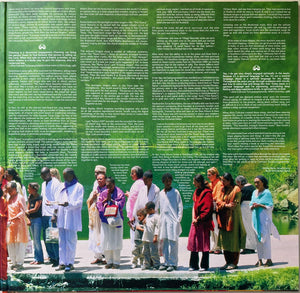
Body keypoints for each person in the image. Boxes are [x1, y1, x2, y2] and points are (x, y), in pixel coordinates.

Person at [54, 168, 84, 272]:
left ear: (71, 175)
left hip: (71, 217)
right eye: (63, 176)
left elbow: (79, 202)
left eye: (66, 176)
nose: (64, 178)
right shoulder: (62, 186)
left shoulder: (78, 187)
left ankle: (70, 263)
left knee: (70, 241)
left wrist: (69, 204)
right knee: (62, 241)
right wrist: (55, 214)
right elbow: (57, 201)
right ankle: (62, 263)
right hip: (61, 217)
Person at [216, 173, 246, 270]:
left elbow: (235, 204)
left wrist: (225, 205)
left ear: (229, 181)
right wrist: (225, 205)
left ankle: (234, 263)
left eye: (224, 180)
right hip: (223, 219)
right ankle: (227, 262)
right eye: (222, 180)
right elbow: (218, 200)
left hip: (233, 218)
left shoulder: (236, 189)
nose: (222, 182)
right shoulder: (222, 189)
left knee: (234, 241)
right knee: (224, 241)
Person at [250, 175, 280, 267]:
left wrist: (260, 205)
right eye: (255, 182)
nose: (256, 184)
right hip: (255, 218)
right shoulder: (254, 192)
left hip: (264, 219)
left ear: (263, 182)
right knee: (257, 240)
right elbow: (250, 204)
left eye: (258, 182)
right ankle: (259, 259)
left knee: (265, 239)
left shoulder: (267, 193)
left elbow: (270, 206)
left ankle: (269, 259)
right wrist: (253, 206)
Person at [97, 177, 125, 269]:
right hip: (106, 220)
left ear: (114, 184)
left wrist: (111, 201)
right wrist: (105, 204)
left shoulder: (120, 192)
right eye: (107, 186)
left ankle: (116, 262)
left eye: (110, 186)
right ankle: (109, 261)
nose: (108, 188)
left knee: (116, 240)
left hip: (116, 220)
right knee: (106, 240)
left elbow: (121, 204)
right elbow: (99, 205)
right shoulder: (103, 193)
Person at [187, 174, 214, 271]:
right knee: (193, 243)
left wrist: (198, 218)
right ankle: (193, 265)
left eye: (194, 181)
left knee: (204, 244)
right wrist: (193, 218)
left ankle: (204, 265)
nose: (193, 183)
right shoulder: (196, 191)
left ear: (198, 182)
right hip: (195, 221)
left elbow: (207, 209)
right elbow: (194, 206)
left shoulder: (207, 193)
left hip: (203, 222)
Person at [159, 173, 183, 272]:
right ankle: (166, 262)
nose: (168, 183)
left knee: (173, 242)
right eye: (166, 181)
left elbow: (180, 206)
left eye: (170, 181)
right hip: (163, 219)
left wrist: (178, 219)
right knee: (164, 241)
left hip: (173, 221)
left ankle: (173, 263)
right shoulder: (161, 193)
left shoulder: (175, 192)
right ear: (163, 182)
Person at [40, 167, 61, 267]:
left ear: (49, 173)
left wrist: (55, 214)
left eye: (45, 175)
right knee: (46, 238)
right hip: (44, 214)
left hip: (52, 214)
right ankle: (51, 257)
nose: (44, 177)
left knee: (53, 238)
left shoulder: (56, 183)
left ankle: (57, 258)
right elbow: (43, 198)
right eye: (42, 175)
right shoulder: (43, 184)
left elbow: (58, 199)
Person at [6, 182, 28, 271]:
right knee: (11, 244)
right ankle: (13, 262)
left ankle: (19, 263)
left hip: (19, 225)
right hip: (10, 225)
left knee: (20, 244)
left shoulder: (20, 198)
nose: (9, 192)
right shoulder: (8, 198)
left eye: (10, 190)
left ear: (15, 189)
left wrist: (13, 218)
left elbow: (23, 212)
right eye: (8, 190)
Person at [87, 173, 106, 264]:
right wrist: (94, 197)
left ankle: (106, 256)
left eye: (101, 179)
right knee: (95, 236)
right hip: (95, 216)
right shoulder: (95, 190)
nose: (99, 181)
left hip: (104, 216)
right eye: (98, 179)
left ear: (105, 179)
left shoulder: (107, 189)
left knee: (104, 235)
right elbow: (89, 201)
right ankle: (98, 256)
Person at [235, 175, 256, 254]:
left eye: (237, 184)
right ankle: (252, 246)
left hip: (245, 209)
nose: (238, 186)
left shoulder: (244, 190)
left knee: (246, 227)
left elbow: (240, 200)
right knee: (251, 227)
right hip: (251, 209)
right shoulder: (253, 188)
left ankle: (248, 247)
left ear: (240, 182)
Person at [125, 166, 144, 246]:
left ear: (137, 174)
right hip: (138, 213)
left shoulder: (138, 183)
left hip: (136, 214)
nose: (131, 175)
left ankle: (135, 252)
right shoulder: (141, 182)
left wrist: (129, 195)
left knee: (135, 234)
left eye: (132, 173)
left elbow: (135, 197)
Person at [26, 182, 44, 265]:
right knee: (34, 240)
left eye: (29, 188)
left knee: (37, 240)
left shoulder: (39, 197)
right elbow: (28, 207)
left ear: (34, 189)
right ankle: (36, 258)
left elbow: (36, 209)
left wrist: (27, 211)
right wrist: (28, 218)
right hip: (32, 219)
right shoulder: (30, 197)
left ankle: (40, 259)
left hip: (37, 220)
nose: (28, 190)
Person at [207, 167, 222, 254]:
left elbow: (218, 196)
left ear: (214, 175)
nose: (208, 177)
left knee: (216, 228)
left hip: (216, 208)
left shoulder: (219, 184)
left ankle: (218, 247)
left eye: (209, 175)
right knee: (211, 228)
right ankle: (213, 246)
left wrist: (210, 198)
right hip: (210, 208)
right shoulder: (210, 184)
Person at [142, 201, 160, 270]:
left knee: (154, 252)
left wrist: (156, 236)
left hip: (152, 238)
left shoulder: (156, 217)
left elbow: (157, 227)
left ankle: (156, 264)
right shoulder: (147, 216)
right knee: (146, 252)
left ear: (152, 209)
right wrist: (144, 223)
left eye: (147, 210)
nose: (146, 211)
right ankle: (147, 264)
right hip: (146, 237)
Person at [0, 188, 8, 280]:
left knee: (2, 250)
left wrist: (1, 215)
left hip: (1, 227)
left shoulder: (3, 200)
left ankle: (3, 276)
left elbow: (6, 214)